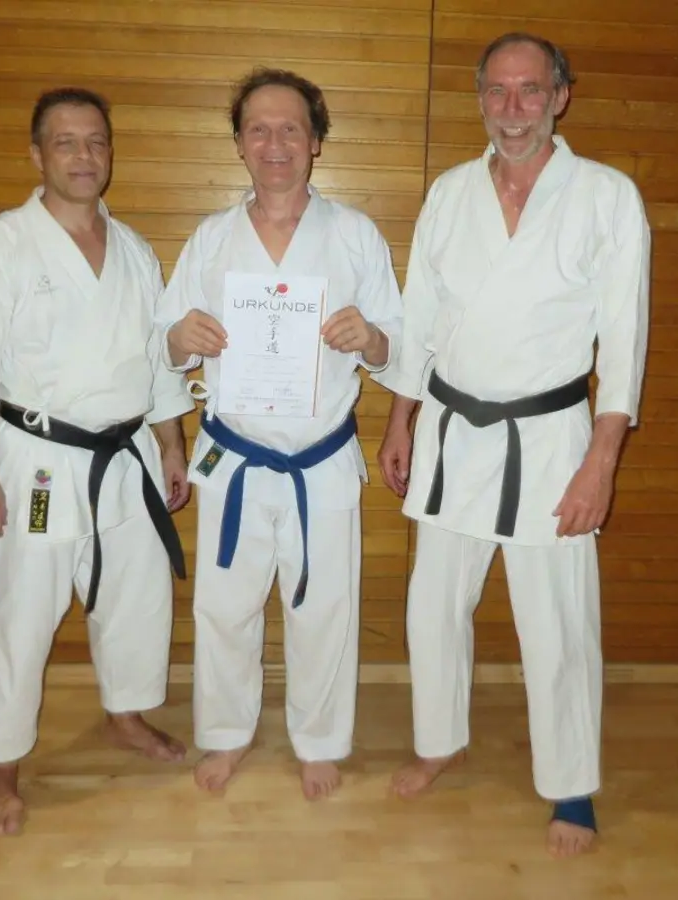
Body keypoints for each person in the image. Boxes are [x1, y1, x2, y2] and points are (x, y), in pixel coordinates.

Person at [373, 33, 650, 859]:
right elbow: (421, 318)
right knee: (433, 606)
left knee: (557, 622)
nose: (514, 109)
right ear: (480, 99)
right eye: (498, 92)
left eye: (531, 91)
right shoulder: (450, 193)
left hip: (553, 436)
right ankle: (438, 738)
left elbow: (623, 340)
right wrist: (399, 420)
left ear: (561, 96)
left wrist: (601, 461)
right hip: (452, 429)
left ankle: (571, 782)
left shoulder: (606, 196)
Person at [0, 87, 194, 837]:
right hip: (40, 461)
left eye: (97, 142)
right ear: (37, 155)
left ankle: (126, 713)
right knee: (22, 611)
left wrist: (172, 445)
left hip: (127, 455)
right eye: (67, 142)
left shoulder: (136, 249)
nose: (85, 157)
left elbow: (159, 363)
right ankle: (0, 762)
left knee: (139, 596)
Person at [158, 68, 402, 801]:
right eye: (258, 129)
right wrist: (180, 336)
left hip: (321, 461)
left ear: (316, 142)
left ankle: (320, 741)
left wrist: (374, 338)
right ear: (238, 144)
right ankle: (227, 735)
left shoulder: (354, 236)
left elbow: (403, 343)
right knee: (224, 608)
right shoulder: (211, 240)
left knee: (324, 605)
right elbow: (161, 347)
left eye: (291, 128)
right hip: (234, 460)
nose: (275, 143)